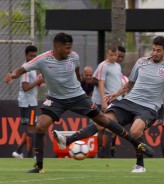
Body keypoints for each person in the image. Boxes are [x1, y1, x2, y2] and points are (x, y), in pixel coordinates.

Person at [4, 32, 153, 173]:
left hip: (77, 97)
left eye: (71, 47)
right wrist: (12, 75)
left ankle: (137, 144)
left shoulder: (73, 56)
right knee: (41, 126)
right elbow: (22, 69)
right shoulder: (43, 59)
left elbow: (76, 70)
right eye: (67, 47)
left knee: (102, 120)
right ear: (57, 47)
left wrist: (80, 80)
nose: (70, 50)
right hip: (55, 99)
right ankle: (39, 165)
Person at [56, 36, 164, 173]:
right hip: (129, 102)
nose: (155, 53)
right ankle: (67, 141)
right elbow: (130, 84)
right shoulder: (141, 62)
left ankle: (139, 165)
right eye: (153, 50)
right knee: (101, 121)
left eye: (158, 51)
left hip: (149, 107)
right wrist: (116, 93)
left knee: (135, 131)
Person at [12, 45, 44, 159]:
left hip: (30, 102)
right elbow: (25, 87)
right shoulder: (26, 68)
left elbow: (32, 85)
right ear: (26, 55)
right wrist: (38, 81)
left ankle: (18, 151)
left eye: (35, 56)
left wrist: (39, 82)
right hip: (28, 103)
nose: (33, 58)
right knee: (32, 128)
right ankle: (30, 155)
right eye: (31, 56)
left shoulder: (32, 67)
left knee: (30, 128)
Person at [92, 45, 122, 158]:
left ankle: (109, 151)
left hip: (115, 100)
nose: (114, 57)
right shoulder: (103, 66)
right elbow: (101, 83)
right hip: (106, 100)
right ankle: (101, 152)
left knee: (112, 127)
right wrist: (103, 100)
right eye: (111, 55)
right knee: (101, 127)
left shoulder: (118, 66)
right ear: (107, 54)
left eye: (115, 55)